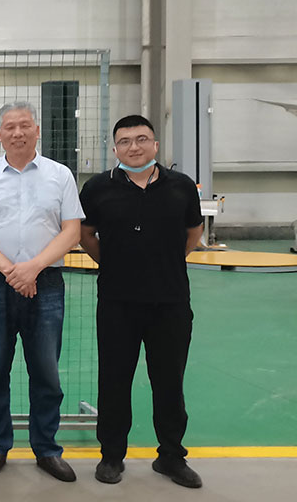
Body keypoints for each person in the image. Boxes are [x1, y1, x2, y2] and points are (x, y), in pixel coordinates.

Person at [80, 115, 205, 488]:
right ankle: (111, 456)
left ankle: (171, 456)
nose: (133, 147)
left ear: (155, 144)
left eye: (141, 139)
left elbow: (194, 231)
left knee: (169, 382)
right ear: (114, 148)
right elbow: (85, 234)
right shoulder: (98, 188)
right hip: (117, 303)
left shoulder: (181, 186)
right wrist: (112, 263)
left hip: (170, 302)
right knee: (114, 381)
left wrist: (166, 262)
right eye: (125, 141)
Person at [0, 101, 83, 482]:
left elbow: (72, 230)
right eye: (10, 127)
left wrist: (33, 267)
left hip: (45, 283)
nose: (18, 133)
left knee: (46, 371)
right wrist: (10, 270)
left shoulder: (60, 175)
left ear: (37, 130)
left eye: (25, 125)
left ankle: (46, 448)